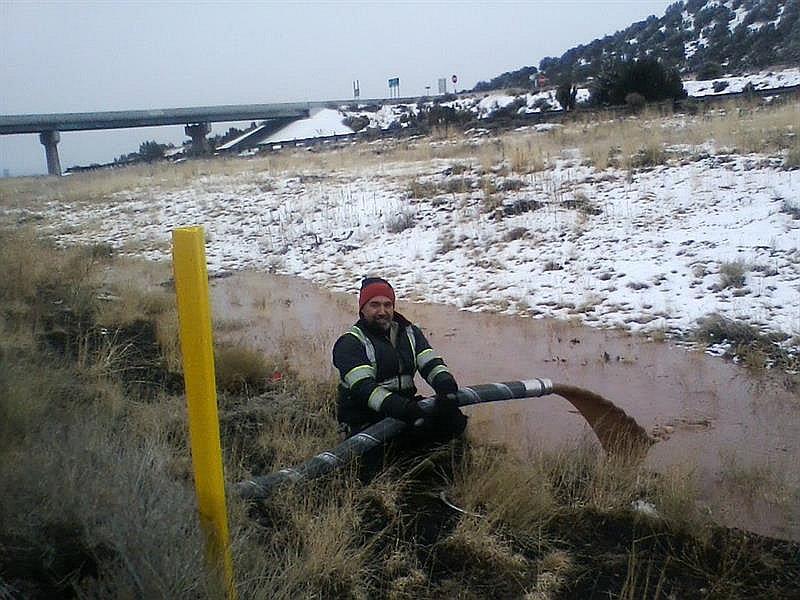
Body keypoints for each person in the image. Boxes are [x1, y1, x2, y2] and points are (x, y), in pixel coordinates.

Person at [332, 277, 468, 446]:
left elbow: (431, 363)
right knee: (396, 450)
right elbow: (364, 389)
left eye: (387, 305)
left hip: (405, 408)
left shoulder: (410, 332)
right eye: (374, 305)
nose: (382, 311)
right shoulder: (350, 342)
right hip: (365, 418)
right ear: (362, 309)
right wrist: (404, 409)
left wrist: (446, 386)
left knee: (454, 422)